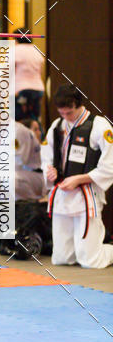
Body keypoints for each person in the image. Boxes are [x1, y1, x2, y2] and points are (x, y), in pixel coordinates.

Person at [41, 83, 113, 268]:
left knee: (90, 261)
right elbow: (46, 156)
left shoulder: (99, 126)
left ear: (79, 105)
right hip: (63, 194)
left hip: (87, 193)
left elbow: (109, 165)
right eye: (62, 113)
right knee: (61, 259)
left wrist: (80, 179)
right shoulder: (57, 126)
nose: (66, 117)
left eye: (70, 113)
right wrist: (50, 170)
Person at [14, 28, 44, 124]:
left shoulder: (15, 50)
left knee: (19, 119)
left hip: (21, 89)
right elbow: (40, 71)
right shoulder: (36, 51)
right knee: (35, 118)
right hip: (38, 89)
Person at [15, 119, 46, 200]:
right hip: (29, 175)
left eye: (39, 129)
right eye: (35, 129)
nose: (39, 133)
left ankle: (34, 205)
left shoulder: (21, 132)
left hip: (38, 177)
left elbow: (19, 161)